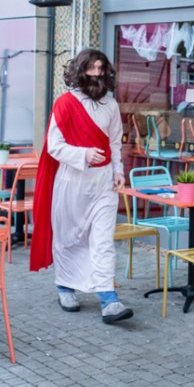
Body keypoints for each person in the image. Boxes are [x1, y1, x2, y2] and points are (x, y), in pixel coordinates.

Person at [31, 48, 132, 324]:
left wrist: (118, 171)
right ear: (80, 70)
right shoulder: (64, 103)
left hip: (103, 183)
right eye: (92, 68)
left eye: (101, 69)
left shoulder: (110, 104)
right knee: (70, 237)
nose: (97, 74)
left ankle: (108, 299)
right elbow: (54, 146)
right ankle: (65, 287)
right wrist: (83, 155)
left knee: (102, 240)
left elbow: (114, 143)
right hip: (72, 181)